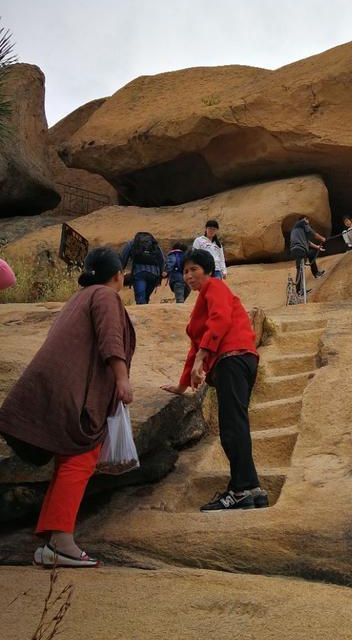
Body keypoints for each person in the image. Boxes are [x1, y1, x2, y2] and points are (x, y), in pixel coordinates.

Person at [0, 248, 136, 568]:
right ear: (118, 275)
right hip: (71, 390)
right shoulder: (105, 295)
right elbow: (110, 338)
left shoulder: (79, 297)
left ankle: (53, 539)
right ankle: (61, 542)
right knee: (80, 456)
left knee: (69, 458)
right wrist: (122, 380)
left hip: (55, 384)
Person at [161, 249, 267, 511]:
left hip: (232, 358)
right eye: (185, 271)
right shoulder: (202, 301)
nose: (188, 275)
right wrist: (182, 385)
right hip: (236, 361)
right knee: (235, 426)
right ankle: (251, 488)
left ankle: (241, 490)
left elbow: (220, 319)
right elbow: (194, 347)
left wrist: (202, 356)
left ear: (208, 270)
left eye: (194, 269)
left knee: (232, 429)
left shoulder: (215, 287)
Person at [120, 231, 164, 304]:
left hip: (139, 273)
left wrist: (121, 271)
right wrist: (160, 276)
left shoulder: (132, 243)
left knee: (140, 298)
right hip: (153, 274)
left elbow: (123, 257)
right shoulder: (154, 244)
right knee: (146, 298)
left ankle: (142, 312)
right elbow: (161, 260)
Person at [289, 216, 326, 296]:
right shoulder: (300, 223)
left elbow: (308, 243)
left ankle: (316, 273)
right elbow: (313, 233)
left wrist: (318, 247)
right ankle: (299, 291)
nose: (307, 221)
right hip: (298, 250)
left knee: (311, 254)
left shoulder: (300, 231)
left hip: (298, 250)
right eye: (306, 219)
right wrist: (322, 238)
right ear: (302, 220)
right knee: (300, 269)